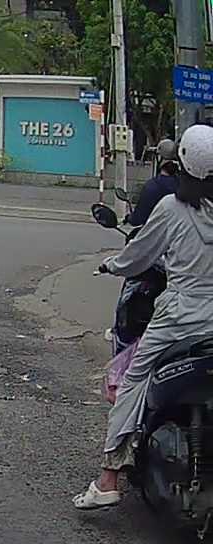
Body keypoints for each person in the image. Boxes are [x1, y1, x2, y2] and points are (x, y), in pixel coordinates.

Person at [74, 123, 213, 510]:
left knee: (134, 378)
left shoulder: (171, 208)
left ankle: (109, 478)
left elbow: (138, 257)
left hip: (179, 318)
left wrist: (111, 265)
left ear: (182, 166)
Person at [128, 139, 180, 227]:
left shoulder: (152, 187)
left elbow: (138, 219)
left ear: (159, 158)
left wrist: (130, 218)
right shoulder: (183, 186)